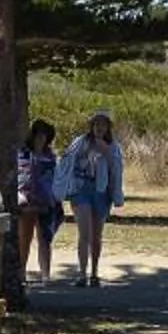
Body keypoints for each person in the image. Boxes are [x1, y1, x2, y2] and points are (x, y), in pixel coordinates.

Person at [53, 111, 124, 287]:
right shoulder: (80, 142)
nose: (99, 127)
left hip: (101, 192)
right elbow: (67, 162)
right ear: (91, 126)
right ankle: (82, 274)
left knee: (97, 236)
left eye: (103, 124)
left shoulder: (113, 147)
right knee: (84, 233)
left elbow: (117, 170)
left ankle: (94, 273)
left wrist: (106, 153)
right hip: (81, 190)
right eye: (96, 124)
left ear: (108, 128)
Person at [12, 120, 61, 284]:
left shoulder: (51, 157)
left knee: (45, 239)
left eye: (44, 135)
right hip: (27, 201)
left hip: (46, 201)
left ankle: (45, 274)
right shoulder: (23, 153)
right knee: (24, 238)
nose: (40, 139)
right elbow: (21, 177)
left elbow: (56, 179)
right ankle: (21, 273)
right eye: (37, 135)